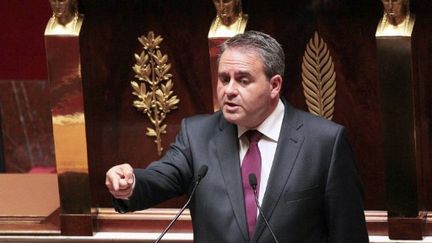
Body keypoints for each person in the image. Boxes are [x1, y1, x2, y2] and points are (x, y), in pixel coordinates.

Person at [106, 31, 369, 243]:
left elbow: (348, 233)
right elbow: (162, 176)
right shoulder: (198, 135)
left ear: (274, 85)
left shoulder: (325, 142)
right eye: (224, 79)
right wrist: (130, 184)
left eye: (243, 80)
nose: (229, 90)